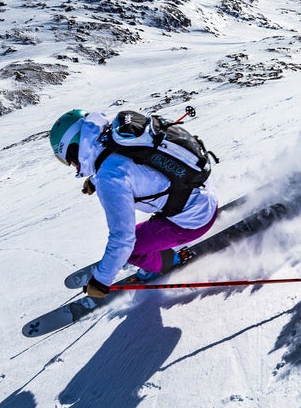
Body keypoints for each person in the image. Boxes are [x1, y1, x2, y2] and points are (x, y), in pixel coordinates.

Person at [49, 109, 219, 298]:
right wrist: (95, 180)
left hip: (192, 221)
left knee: (133, 249)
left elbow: (123, 239)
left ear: (74, 147)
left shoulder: (109, 178)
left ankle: (168, 262)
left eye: (67, 160)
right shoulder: (117, 135)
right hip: (202, 191)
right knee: (138, 237)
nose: (72, 165)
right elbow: (133, 165)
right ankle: (159, 245)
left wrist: (101, 281)